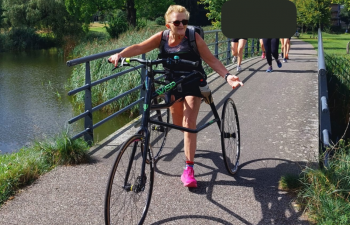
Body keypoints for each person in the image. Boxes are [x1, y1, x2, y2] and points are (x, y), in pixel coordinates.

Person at [108, 5, 243, 188]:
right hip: (172, 84)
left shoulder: (193, 37)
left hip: (193, 82)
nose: (181, 25)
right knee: (179, 124)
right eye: (177, 22)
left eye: (184, 22)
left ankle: (189, 169)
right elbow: (140, 47)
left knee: (189, 124)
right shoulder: (162, 38)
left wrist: (228, 76)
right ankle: (190, 143)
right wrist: (120, 55)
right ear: (168, 25)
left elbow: (211, 60)